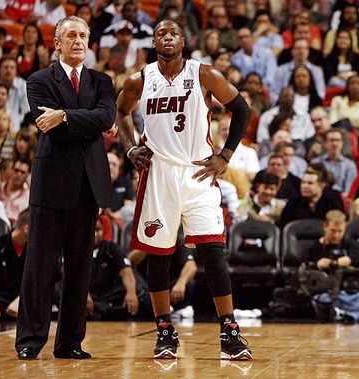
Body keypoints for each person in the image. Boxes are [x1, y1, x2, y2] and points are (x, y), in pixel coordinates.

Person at [115, 20, 252, 360]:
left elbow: (242, 109)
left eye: (174, 32)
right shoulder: (140, 79)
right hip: (158, 174)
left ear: (183, 40)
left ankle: (230, 331)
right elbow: (120, 112)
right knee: (158, 256)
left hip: (198, 173)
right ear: (154, 40)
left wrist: (225, 156)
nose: (168, 37)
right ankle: (164, 331)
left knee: (213, 253)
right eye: (161, 32)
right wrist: (130, 148)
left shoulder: (203, 74)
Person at [15, 16, 116, 361]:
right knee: (39, 267)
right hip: (52, 183)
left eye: (83, 35)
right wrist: (81, 121)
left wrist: (67, 116)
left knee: (79, 268)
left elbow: (105, 117)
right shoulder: (39, 79)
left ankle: (70, 342)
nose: (78, 41)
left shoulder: (102, 80)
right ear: (57, 43)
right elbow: (50, 127)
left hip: (89, 185)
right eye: (71, 35)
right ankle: (29, 340)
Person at [87, 218, 140, 320]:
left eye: (98, 230)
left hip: (108, 293)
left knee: (136, 290)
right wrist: (83, 295)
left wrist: (131, 292)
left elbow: (126, 271)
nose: (95, 234)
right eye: (92, 230)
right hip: (86, 293)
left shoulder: (111, 248)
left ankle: (102, 310)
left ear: (103, 230)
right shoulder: (76, 248)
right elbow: (68, 275)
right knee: (59, 288)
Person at [279, 168, 344, 228]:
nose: (305, 186)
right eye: (303, 182)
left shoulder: (332, 201)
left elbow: (339, 225)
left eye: (310, 183)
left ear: (322, 185)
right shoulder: (293, 202)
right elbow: (283, 226)